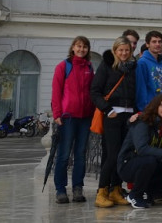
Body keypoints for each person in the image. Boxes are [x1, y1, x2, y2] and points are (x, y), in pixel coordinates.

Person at [90, 36, 137, 207]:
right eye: (121, 50)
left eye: (126, 50)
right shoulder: (107, 66)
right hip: (113, 115)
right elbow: (95, 91)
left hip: (129, 115)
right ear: (115, 51)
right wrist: (107, 109)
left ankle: (116, 189)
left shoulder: (133, 67)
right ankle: (102, 190)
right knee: (112, 155)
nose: (124, 53)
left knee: (122, 155)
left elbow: (135, 91)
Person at [52, 36, 96, 204]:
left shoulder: (89, 67)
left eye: (85, 47)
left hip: (85, 118)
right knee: (63, 155)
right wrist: (57, 114)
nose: (81, 49)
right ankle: (60, 189)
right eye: (79, 46)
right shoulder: (63, 66)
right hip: (68, 117)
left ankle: (78, 188)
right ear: (73, 48)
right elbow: (56, 91)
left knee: (80, 155)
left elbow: (92, 91)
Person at [117, 94, 162, 209]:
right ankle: (134, 195)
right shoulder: (142, 121)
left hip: (147, 162)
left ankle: (148, 193)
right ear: (155, 106)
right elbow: (142, 149)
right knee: (150, 160)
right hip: (128, 164)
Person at [136, 31, 162, 111]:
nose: (157, 44)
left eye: (159, 42)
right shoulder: (142, 63)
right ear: (147, 44)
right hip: (150, 109)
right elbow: (141, 88)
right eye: (154, 42)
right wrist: (144, 108)